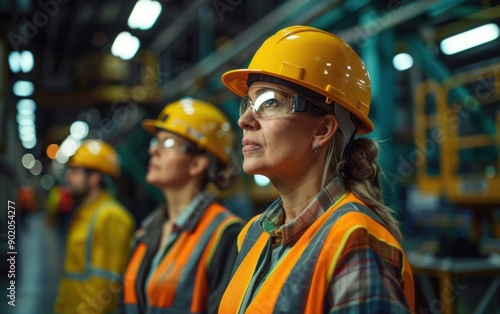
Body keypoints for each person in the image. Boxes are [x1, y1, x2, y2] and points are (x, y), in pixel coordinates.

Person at [218, 25, 414, 313]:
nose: (245, 120)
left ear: (322, 129)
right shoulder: (253, 235)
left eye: (268, 102)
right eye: (247, 103)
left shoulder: (355, 243)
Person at [123, 98, 244, 314]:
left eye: (167, 143)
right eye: (154, 142)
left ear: (198, 164)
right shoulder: (147, 230)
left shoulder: (225, 234)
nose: (153, 151)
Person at [54, 139, 135, 314]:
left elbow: (105, 287)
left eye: (75, 171)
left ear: (94, 178)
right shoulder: (83, 215)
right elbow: (69, 276)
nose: (68, 177)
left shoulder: (111, 217)